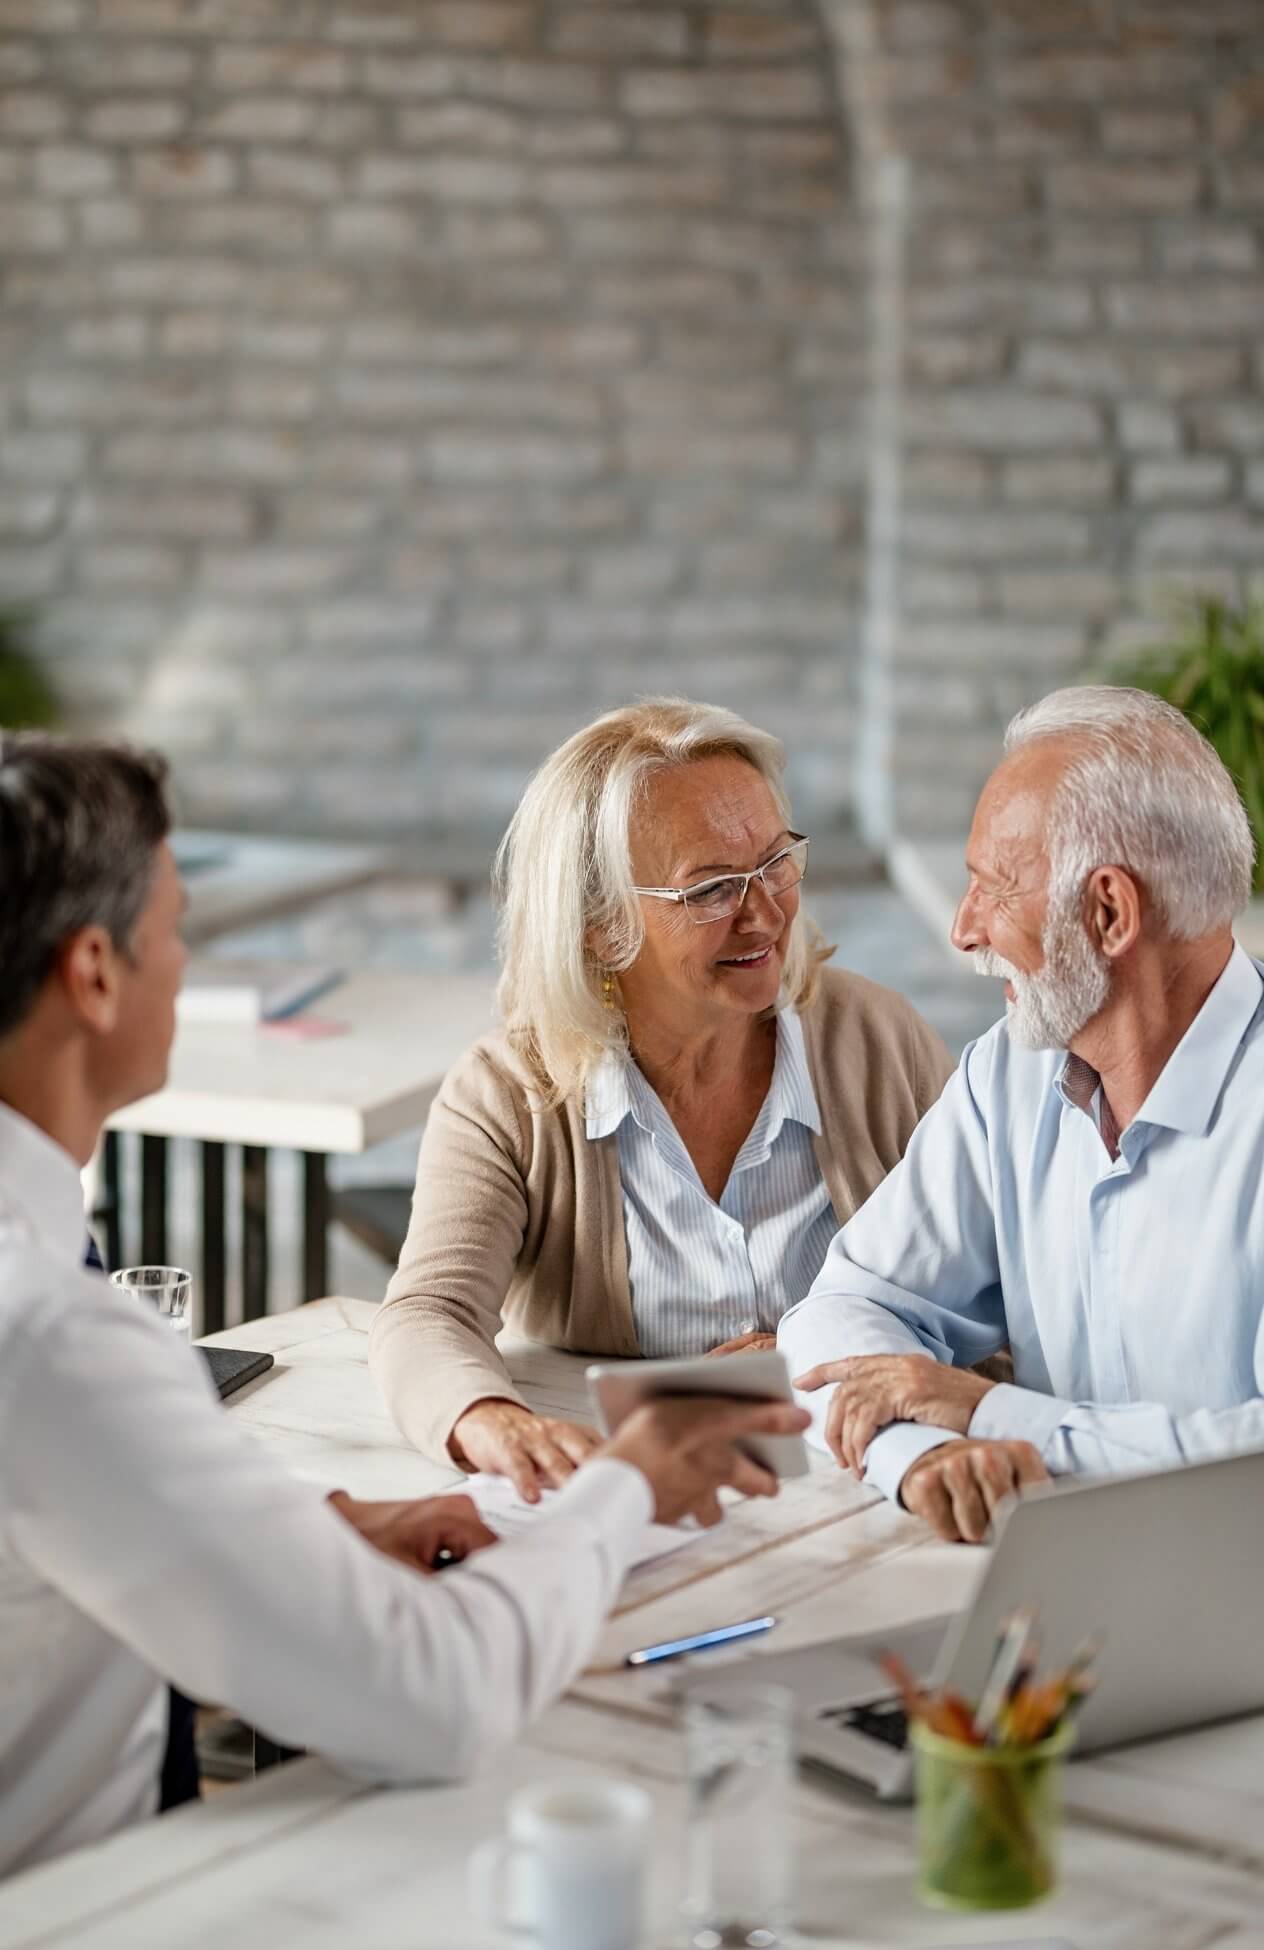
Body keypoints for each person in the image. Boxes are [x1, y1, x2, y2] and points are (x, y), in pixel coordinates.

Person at [0, 732, 809, 1878]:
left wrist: (299, 1535)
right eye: (177, 930)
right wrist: (629, 1480)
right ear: (93, 973)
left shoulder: (40, 1287)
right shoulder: (52, 1332)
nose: (188, 965)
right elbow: (433, 1697)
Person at [370, 698, 953, 1499]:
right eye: (711, 889)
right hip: (630, 1501)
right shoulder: (509, 1092)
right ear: (600, 925)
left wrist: (819, 1360)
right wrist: (491, 1419)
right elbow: (426, 1316)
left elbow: (990, 1305)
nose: (766, 911)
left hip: (870, 1492)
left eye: (776, 861)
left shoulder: (877, 1042)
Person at [778, 684, 1264, 1545]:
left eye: (992, 889)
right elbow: (838, 1315)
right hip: (1046, 1593)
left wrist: (998, 1416)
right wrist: (919, 1453)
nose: (964, 930)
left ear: (1108, 911)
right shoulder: (1009, 1073)